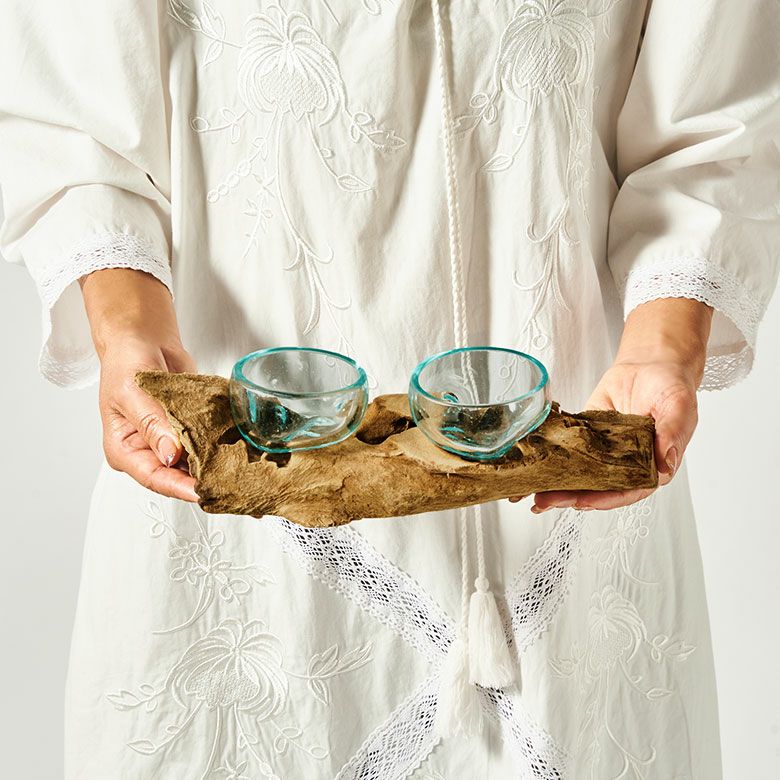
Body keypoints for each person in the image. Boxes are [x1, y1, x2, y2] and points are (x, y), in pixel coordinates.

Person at [1, 1, 778, 777]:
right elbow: (74, 110)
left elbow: (718, 113)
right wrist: (129, 330)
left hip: (577, 470)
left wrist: (664, 346)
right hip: (243, 495)